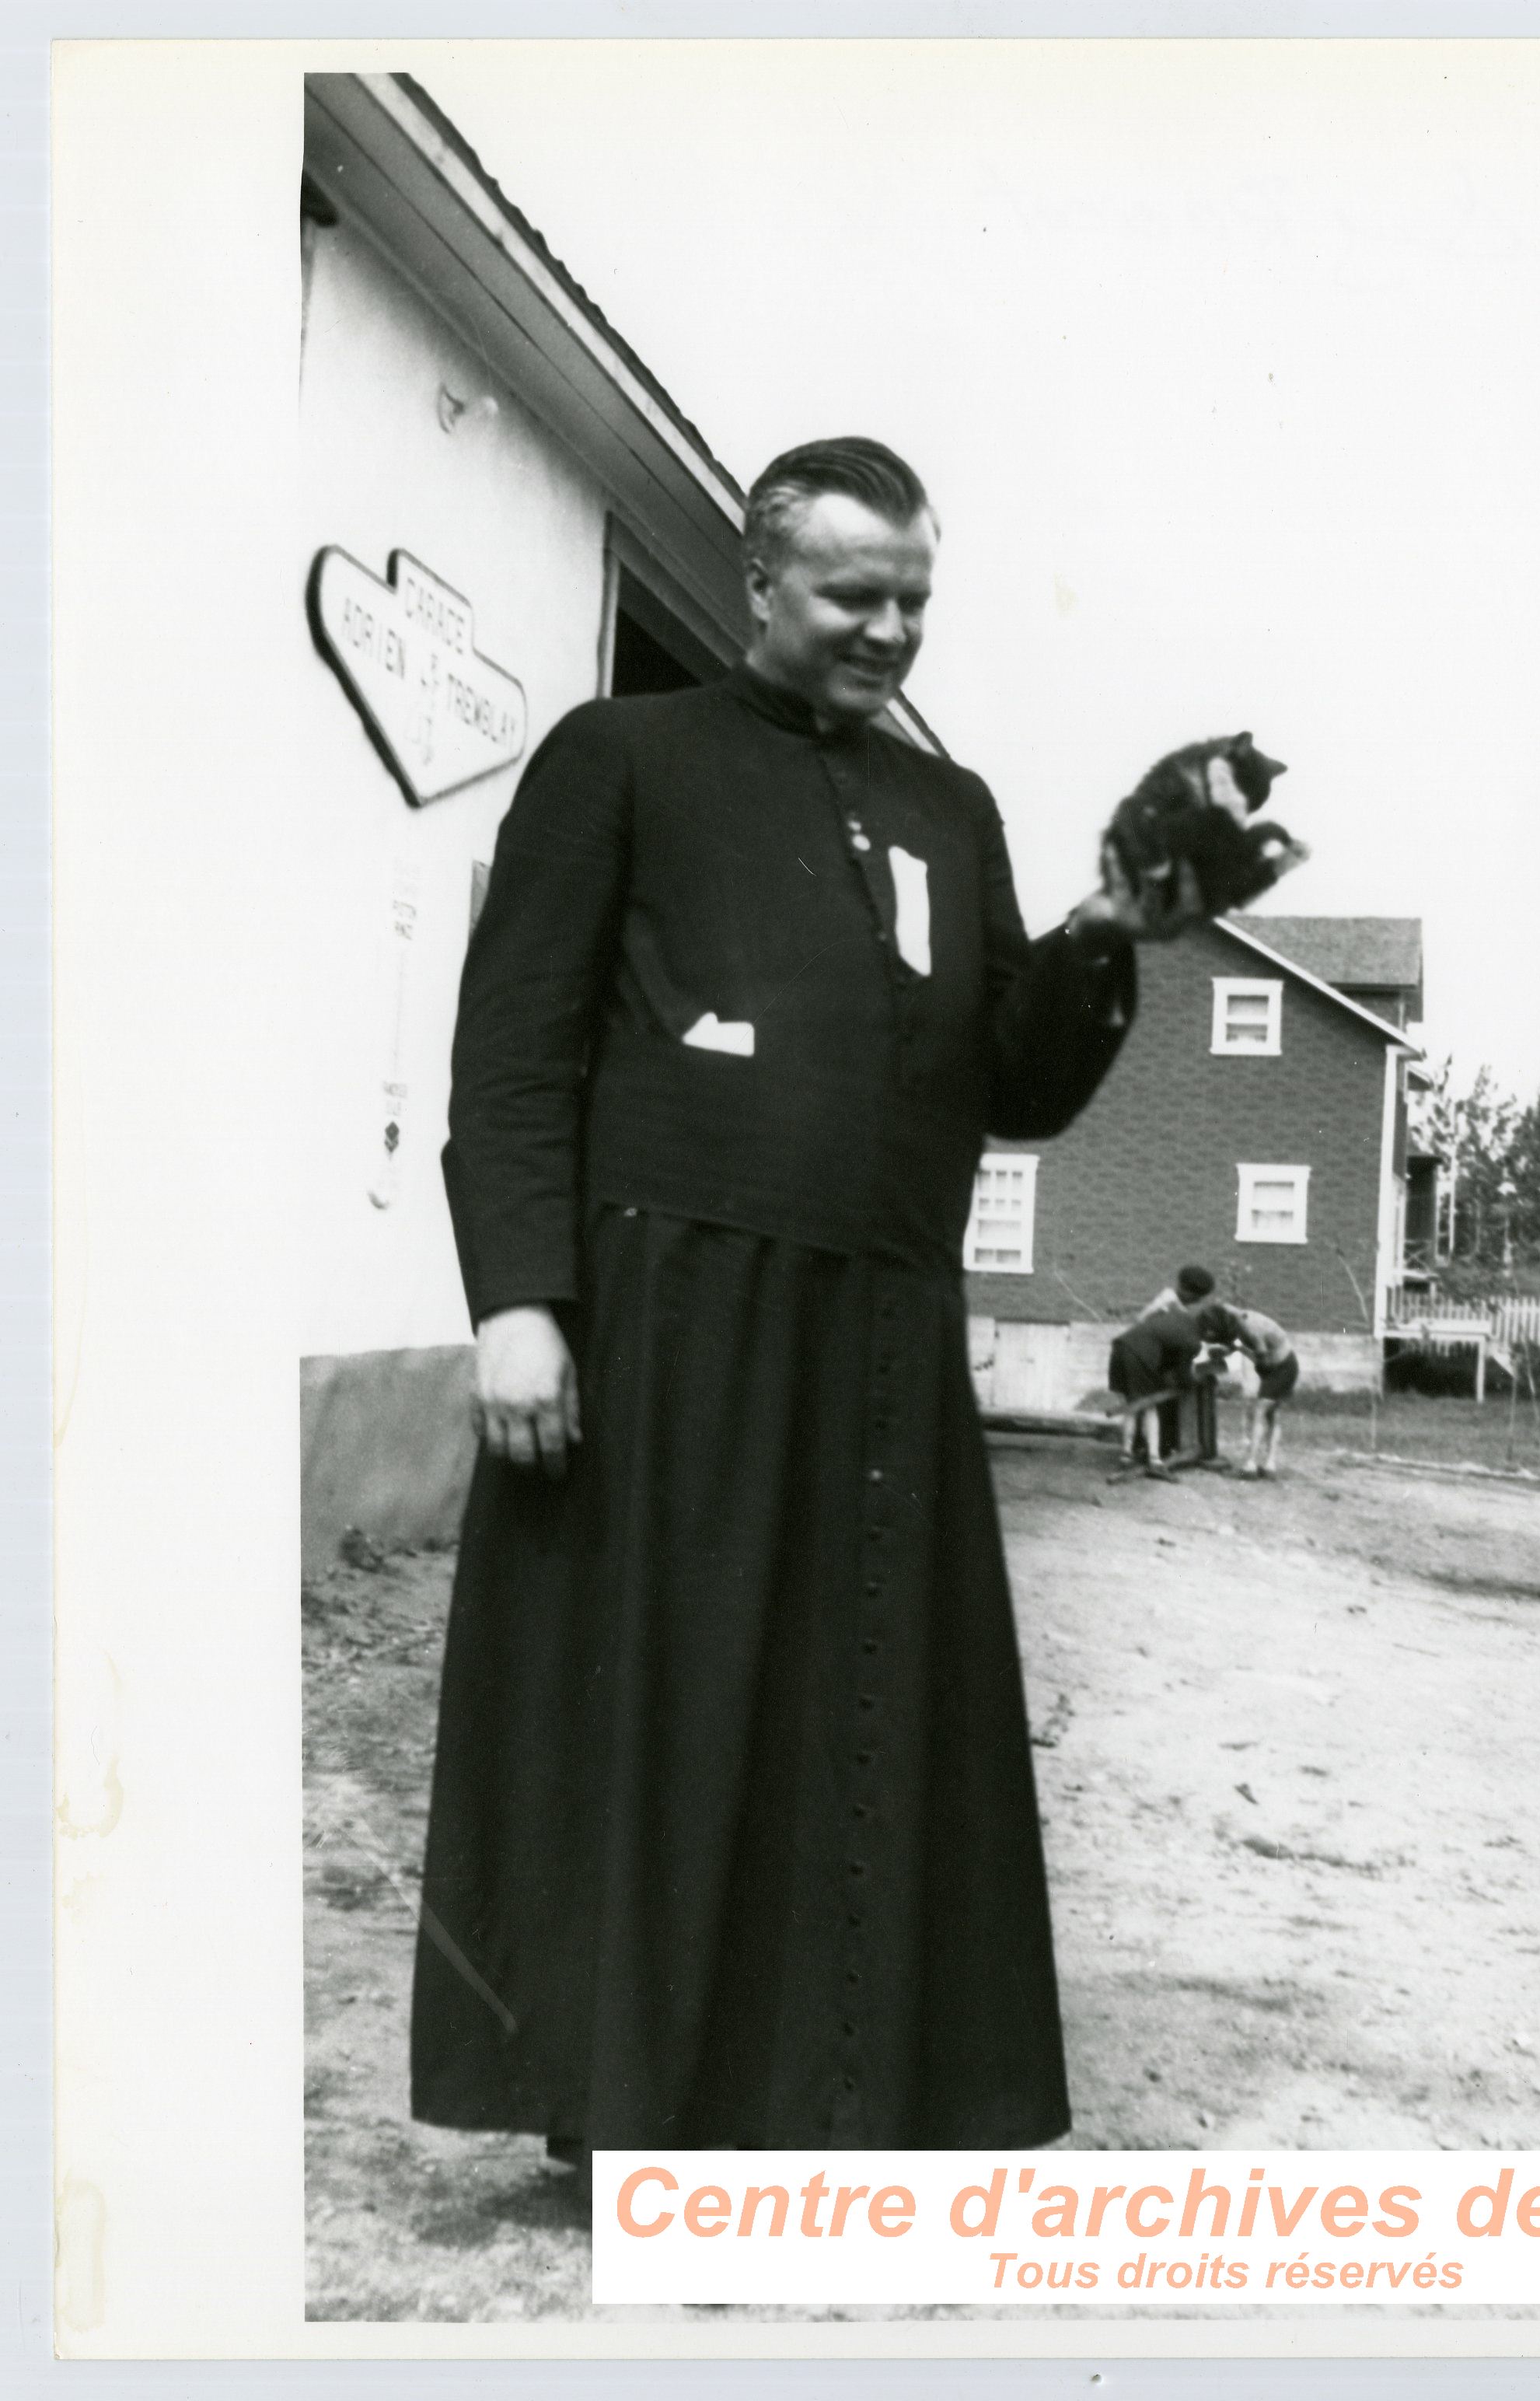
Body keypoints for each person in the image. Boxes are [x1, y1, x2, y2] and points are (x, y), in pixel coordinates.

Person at [410, 436, 1204, 2167]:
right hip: (669, 1313)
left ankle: (827, 2112)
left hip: (881, 1339)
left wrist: (1103, 929)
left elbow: (1020, 1082)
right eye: (854, 593)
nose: (891, 629)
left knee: (850, 1723)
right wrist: (519, 1298)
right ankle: (639, 2118)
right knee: (676, 1717)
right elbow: (515, 1049)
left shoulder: (951, 806)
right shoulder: (624, 753)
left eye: (914, 597)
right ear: (760, 580)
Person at [1197, 1300, 1301, 1477]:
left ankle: (1251, 1465)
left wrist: (1238, 1349)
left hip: (1282, 1368)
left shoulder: (1252, 1330)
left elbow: (1264, 1363)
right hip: (1278, 1365)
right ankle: (1270, 1464)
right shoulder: (1235, 1315)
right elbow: (1222, 1307)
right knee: (1272, 1415)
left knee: (1260, 1412)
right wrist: (1232, 1349)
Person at [1106, 1301, 1204, 1478]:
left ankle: (1127, 1454)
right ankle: (1154, 1458)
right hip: (1139, 1354)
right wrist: (1189, 1382)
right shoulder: (1192, 1339)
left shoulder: (1173, 1320)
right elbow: (1182, 1373)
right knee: (1150, 1406)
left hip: (1120, 1348)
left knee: (1132, 1405)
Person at [1138, 1265, 1219, 1463]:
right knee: (1163, 1397)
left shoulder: (1178, 1305)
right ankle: (1153, 1449)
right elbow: (1143, 1321)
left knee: (1180, 1392)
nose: (1198, 1302)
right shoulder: (1168, 1301)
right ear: (1185, 1289)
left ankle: (1166, 1446)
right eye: (1196, 1297)